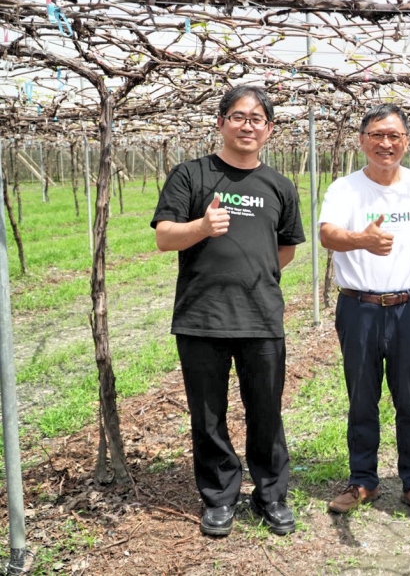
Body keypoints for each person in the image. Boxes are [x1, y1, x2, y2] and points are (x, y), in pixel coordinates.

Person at [152, 85, 305, 537]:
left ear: (269, 129)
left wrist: (252, 274)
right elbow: (164, 237)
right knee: (208, 413)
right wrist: (201, 227)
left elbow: (287, 250)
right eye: (238, 116)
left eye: (257, 118)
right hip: (202, 316)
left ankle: (271, 494)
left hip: (261, 316)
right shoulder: (191, 175)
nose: (247, 125)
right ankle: (220, 497)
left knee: (266, 411)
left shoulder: (279, 185)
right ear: (221, 123)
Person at [320, 104, 410, 520]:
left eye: (393, 135)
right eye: (376, 135)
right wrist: (362, 241)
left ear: (406, 141)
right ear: (362, 140)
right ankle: (363, 481)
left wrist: (405, 274)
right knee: (361, 396)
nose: (385, 143)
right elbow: (328, 235)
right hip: (359, 307)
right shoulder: (345, 189)